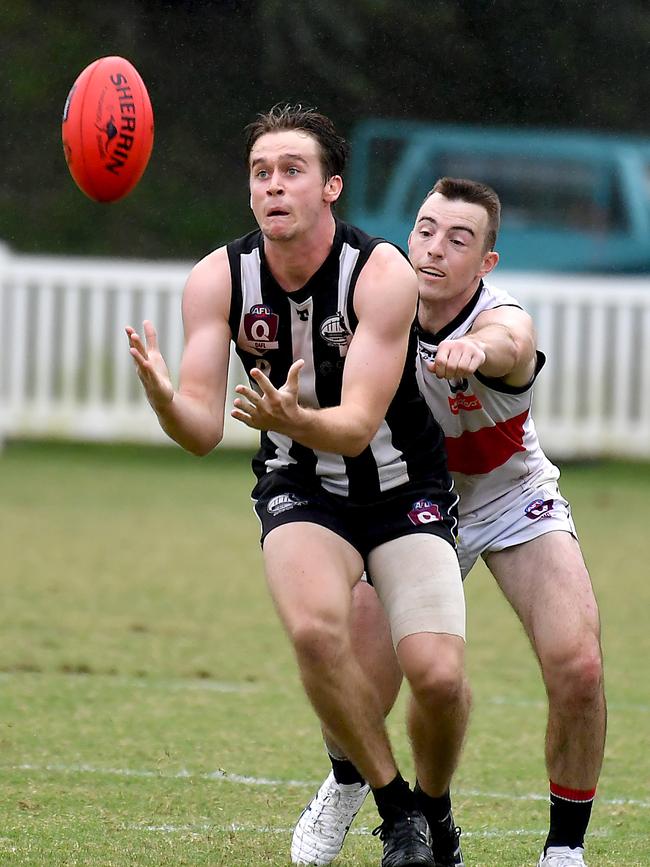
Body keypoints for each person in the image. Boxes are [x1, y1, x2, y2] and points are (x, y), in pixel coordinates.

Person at [126, 106, 471, 867]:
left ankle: (435, 806)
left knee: (439, 678)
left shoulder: (380, 272)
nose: (274, 186)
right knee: (316, 633)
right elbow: (203, 430)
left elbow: (353, 428)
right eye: (260, 173)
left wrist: (295, 414)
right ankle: (397, 814)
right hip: (300, 488)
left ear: (331, 187)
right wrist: (162, 401)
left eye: (292, 171)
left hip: (401, 485)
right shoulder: (220, 277)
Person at [292, 177, 606, 867]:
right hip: (410, 502)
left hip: (510, 496)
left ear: (486, 263)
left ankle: (563, 850)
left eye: (458, 239)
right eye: (426, 229)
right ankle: (347, 785)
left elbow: (512, 340)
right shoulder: (378, 301)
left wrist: (478, 351)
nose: (435, 247)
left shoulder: (501, 318)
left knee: (578, 666)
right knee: (358, 681)